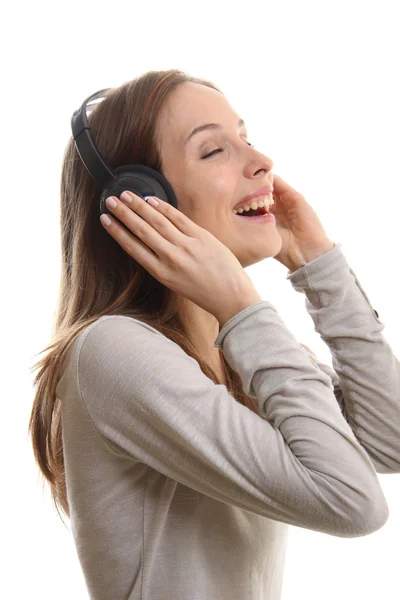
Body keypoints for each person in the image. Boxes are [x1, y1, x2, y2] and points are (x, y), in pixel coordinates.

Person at [28, 69, 396, 600]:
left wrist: (320, 267)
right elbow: (352, 502)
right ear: (142, 199)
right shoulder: (112, 350)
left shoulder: (235, 349)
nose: (261, 161)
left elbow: (389, 440)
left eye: (245, 138)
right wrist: (242, 305)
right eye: (213, 150)